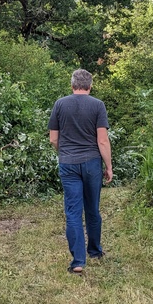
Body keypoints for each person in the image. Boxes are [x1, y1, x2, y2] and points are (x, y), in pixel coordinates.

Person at [48, 68, 113, 274]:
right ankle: (94, 250)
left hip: (68, 163)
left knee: (73, 211)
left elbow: (53, 139)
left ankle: (78, 261)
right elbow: (102, 140)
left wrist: (65, 152)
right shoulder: (98, 105)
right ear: (90, 85)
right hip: (92, 163)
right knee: (92, 208)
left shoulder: (60, 104)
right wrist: (109, 166)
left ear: (72, 85)